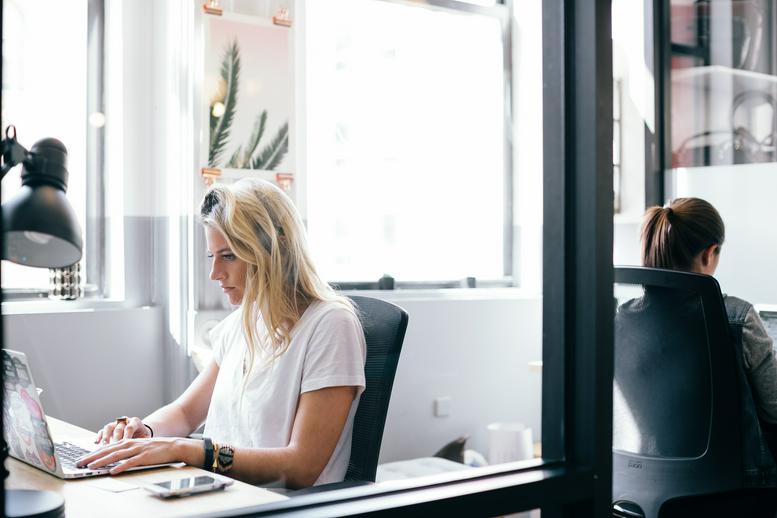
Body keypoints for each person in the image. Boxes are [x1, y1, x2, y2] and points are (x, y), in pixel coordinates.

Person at [77, 178, 366, 488]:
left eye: (229, 256)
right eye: (211, 257)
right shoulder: (242, 322)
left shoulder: (331, 325)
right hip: (225, 495)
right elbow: (187, 413)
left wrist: (187, 449)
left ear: (276, 248)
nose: (215, 274)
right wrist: (145, 432)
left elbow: (301, 466)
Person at [638, 197, 777, 426]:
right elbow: (774, 409)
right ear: (709, 253)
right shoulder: (738, 319)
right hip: (735, 463)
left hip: (635, 461)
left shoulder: (623, 318)